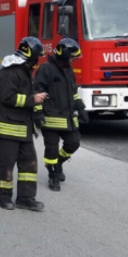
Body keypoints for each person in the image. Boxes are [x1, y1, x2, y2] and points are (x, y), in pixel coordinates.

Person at [0, 37, 47, 211]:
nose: (38, 60)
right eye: (37, 56)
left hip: (23, 129)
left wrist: (37, 112)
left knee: (29, 164)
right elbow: (6, 97)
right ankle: (4, 198)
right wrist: (32, 100)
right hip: (7, 129)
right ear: (30, 54)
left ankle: (26, 198)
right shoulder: (10, 71)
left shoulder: (24, 71)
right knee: (6, 166)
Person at [33, 37, 87, 192]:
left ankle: (58, 163)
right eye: (72, 57)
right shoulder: (46, 69)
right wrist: (38, 113)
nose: (74, 60)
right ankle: (53, 175)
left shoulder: (68, 70)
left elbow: (73, 92)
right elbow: (37, 92)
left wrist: (81, 108)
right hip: (50, 118)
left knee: (73, 143)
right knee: (51, 148)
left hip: (67, 117)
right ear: (64, 55)